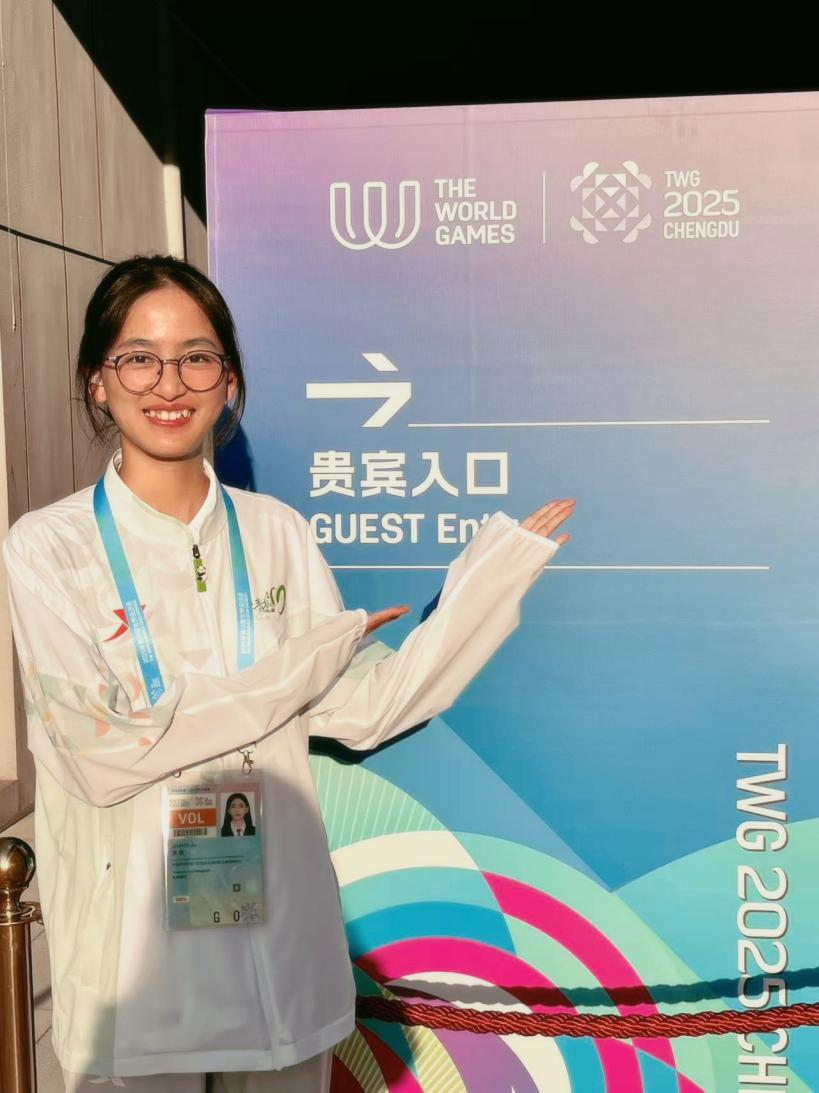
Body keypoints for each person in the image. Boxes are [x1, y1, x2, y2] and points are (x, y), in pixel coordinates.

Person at [1, 255, 575, 1092]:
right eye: (139, 358)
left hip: (275, 959)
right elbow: (99, 754)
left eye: (197, 357)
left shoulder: (276, 532)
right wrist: (294, 671)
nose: (169, 383)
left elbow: (362, 710)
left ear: (228, 380)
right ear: (98, 380)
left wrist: (483, 588)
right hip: (133, 975)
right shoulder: (49, 546)